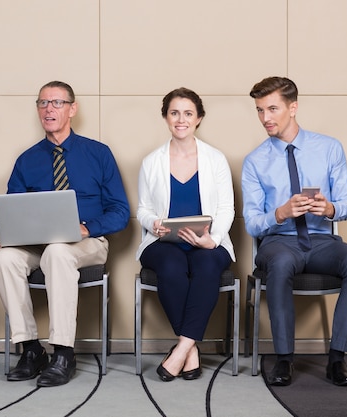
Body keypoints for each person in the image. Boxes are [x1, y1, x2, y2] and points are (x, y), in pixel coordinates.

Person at [0, 80, 129, 387]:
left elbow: (120, 211)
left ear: (72, 109)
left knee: (58, 251)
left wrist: (86, 228)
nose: (48, 109)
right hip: (36, 244)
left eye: (56, 103)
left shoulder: (98, 153)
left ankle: (64, 352)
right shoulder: (27, 159)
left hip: (87, 242)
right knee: (4, 259)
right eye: (42, 103)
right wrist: (9, 233)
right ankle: (30, 349)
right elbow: (11, 209)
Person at [242, 76, 347, 387]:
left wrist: (331, 209)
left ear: (293, 107)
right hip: (279, 243)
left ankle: (337, 359)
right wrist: (279, 213)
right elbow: (252, 222)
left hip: (322, 240)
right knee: (281, 264)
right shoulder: (255, 161)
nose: (265, 118)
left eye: (272, 108)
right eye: (259, 110)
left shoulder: (329, 148)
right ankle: (284, 359)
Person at [136, 88, 235, 382]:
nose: (181, 119)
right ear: (166, 117)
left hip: (209, 241)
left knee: (206, 266)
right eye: (174, 113)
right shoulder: (151, 161)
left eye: (188, 113)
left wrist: (213, 239)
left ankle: (180, 350)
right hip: (163, 243)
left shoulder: (215, 159)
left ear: (199, 118)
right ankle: (190, 349)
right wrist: (153, 223)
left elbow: (227, 208)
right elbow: (142, 209)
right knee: (170, 266)